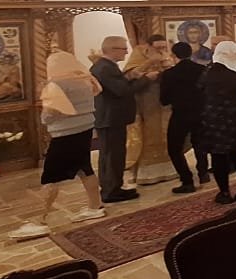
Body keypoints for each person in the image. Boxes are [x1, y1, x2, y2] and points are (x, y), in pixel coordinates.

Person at [7, 52, 107, 239]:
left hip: (64, 135)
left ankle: (39, 221)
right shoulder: (85, 81)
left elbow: (49, 115)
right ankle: (95, 207)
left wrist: (43, 100)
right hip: (85, 130)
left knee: (50, 176)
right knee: (85, 168)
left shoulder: (55, 85)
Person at [90, 36, 154, 203]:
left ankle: (112, 187)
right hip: (111, 117)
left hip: (110, 117)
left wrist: (131, 76)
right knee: (113, 156)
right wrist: (146, 79)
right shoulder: (105, 68)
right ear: (112, 50)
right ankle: (112, 191)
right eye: (123, 49)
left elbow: (118, 84)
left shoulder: (105, 66)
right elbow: (121, 90)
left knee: (110, 155)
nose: (126, 52)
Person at [201, 41, 236, 204]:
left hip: (216, 116)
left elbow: (200, 88)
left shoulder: (211, 72)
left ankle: (224, 192)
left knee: (218, 154)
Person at [123, 34, 177, 185]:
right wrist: (150, 64)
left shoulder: (167, 55)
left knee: (165, 133)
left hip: (164, 102)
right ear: (148, 46)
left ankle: (169, 169)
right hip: (146, 101)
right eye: (158, 47)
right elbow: (128, 76)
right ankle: (146, 173)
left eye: (164, 47)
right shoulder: (138, 55)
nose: (161, 50)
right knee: (149, 133)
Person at [160, 42, 210, 193]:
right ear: (190, 53)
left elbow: (164, 100)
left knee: (174, 148)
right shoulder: (202, 70)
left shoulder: (169, 74)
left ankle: (187, 180)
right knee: (200, 144)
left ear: (174, 55)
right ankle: (203, 173)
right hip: (201, 113)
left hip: (180, 114)